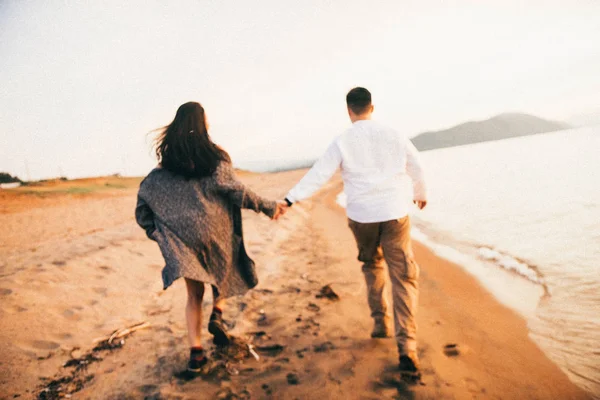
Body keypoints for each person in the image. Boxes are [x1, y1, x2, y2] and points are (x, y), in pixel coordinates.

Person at [282, 87, 427, 378]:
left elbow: (319, 174)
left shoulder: (342, 140)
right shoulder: (393, 133)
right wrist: (420, 192)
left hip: (362, 216)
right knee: (403, 275)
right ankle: (407, 346)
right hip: (395, 213)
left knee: (372, 264)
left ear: (349, 111)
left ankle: (380, 322)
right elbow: (415, 163)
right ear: (372, 107)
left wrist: (289, 199)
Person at [135, 101, 286, 373]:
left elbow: (143, 208)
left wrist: (159, 234)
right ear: (203, 125)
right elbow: (237, 191)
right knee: (224, 274)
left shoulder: (162, 171)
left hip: (184, 239)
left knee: (194, 295)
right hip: (217, 231)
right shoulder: (216, 159)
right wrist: (269, 207)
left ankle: (196, 353)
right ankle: (217, 312)